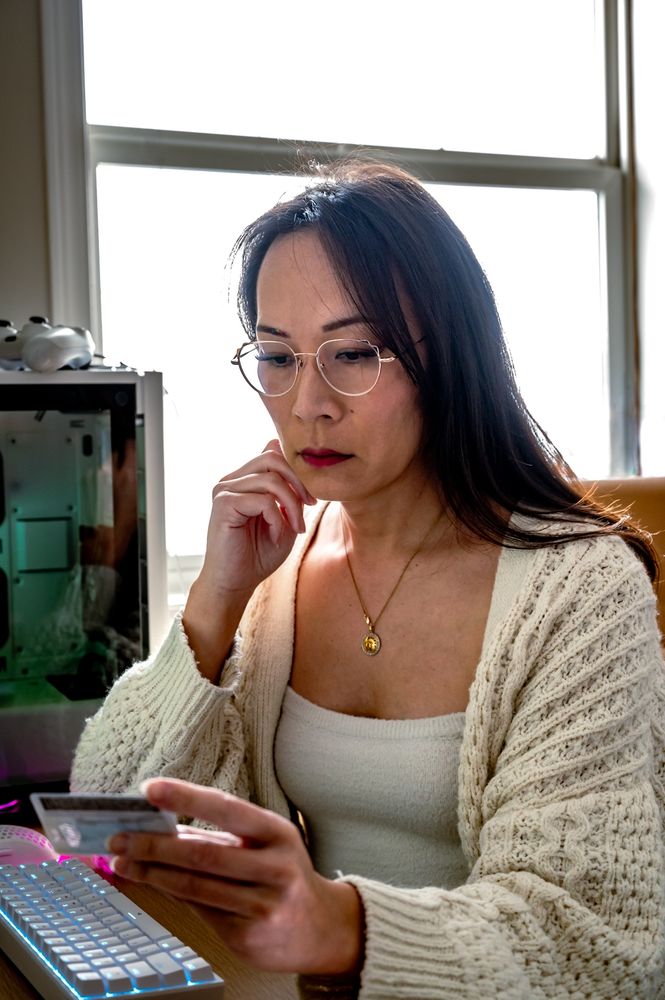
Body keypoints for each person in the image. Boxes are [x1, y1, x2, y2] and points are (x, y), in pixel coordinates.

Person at [71, 159, 665, 999]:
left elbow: (589, 940)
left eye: (352, 353)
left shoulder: (580, 590)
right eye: (276, 356)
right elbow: (106, 812)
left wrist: (342, 925)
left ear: (448, 359)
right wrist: (214, 600)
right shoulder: (277, 568)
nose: (308, 402)